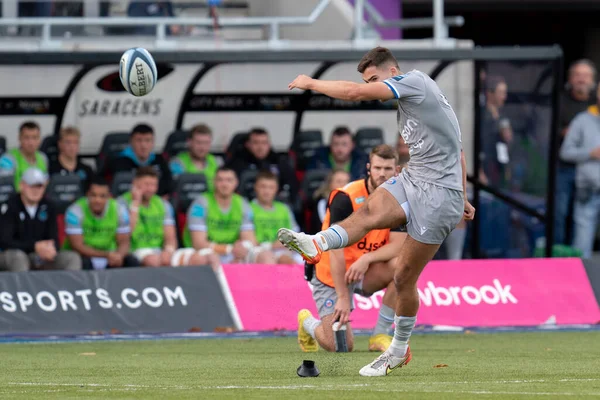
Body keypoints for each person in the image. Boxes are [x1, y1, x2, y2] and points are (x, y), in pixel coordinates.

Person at [279, 46, 475, 376]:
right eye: (368, 80)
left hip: (439, 198)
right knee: (369, 211)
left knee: (404, 277)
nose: (371, 86)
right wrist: (466, 195)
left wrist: (311, 83)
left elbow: (355, 93)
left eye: (374, 78)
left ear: (391, 70)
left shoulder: (414, 82)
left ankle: (397, 348)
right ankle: (318, 242)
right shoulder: (412, 104)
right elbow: (456, 149)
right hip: (416, 177)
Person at [298, 144, 405, 354]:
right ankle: (306, 323)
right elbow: (335, 249)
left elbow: (399, 244)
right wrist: (343, 296)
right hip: (331, 272)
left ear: (397, 170)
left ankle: (379, 334)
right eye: (377, 168)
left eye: (387, 169)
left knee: (404, 268)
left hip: (363, 269)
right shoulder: (345, 197)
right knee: (340, 346)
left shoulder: (399, 199)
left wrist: (367, 259)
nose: (382, 174)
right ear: (368, 168)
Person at [119, 167, 218, 267]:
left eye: (154, 185)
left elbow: (170, 238)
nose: (151, 189)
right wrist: (135, 205)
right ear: (135, 184)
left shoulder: (163, 204)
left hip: (160, 251)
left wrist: (168, 250)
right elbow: (125, 237)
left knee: (201, 259)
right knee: (153, 261)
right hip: (136, 251)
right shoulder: (121, 204)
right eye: (146, 184)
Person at [183, 167, 272, 264]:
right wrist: (228, 249)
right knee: (212, 258)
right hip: (208, 251)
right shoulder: (200, 204)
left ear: (236, 183)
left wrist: (244, 247)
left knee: (266, 256)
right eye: (220, 180)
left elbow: (250, 239)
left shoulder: (242, 204)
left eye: (229, 180)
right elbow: (199, 243)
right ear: (214, 182)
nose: (224, 184)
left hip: (233, 251)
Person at [0, 168, 81, 272]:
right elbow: (5, 242)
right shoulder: (9, 206)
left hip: (40, 255)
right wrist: (34, 246)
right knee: (18, 257)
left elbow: (54, 239)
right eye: (31, 186)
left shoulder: (49, 206)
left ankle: (65, 288)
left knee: (71, 258)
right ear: (22, 185)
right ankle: (23, 288)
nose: (36, 190)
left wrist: (49, 249)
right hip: (13, 255)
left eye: (39, 186)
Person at [555, 59, 597, 245]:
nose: (581, 79)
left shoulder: (594, 105)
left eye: (586, 75)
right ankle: (559, 254)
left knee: (582, 218)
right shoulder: (560, 101)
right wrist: (566, 132)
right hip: (564, 167)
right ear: (570, 78)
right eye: (577, 75)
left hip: (590, 172)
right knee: (560, 212)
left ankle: (578, 255)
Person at [559, 84, 600, 259]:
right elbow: (565, 152)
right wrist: (590, 153)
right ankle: (580, 281)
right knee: (582, 243)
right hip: (589, 189)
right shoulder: (582, 120)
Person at [63, 176, 137, 270]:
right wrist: (106, 255)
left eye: (102, 196)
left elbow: (124, 241)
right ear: (87, 195)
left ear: (109, 197)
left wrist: (119, 255)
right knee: (82, 261)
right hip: (85, 255)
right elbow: (77, 246)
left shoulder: (119, 210)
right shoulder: (75, 211)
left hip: (111, 254)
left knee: (131, 261)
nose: (98, 200)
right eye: (93, 195)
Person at [226, 127, 298, 201]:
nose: (260, 147)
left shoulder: (279, 162)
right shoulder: (236, 164)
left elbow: (292, 187)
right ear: (248, 144)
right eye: (256, 143)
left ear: (269, 144)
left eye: (264, 143)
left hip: (275, 204)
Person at [250, 171, 303, 264]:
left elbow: (295, 236)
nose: (267, 191)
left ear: (276, 189)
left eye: (271, 187)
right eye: (263, 187)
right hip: (259, 251)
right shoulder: (248, 208)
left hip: (284, 250)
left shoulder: (284, 209)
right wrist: (271, 246)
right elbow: (249, 240)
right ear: (255, 187)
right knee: (271, 259)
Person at [105, 124, 172, 196]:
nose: (143, 145)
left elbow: (169, 186)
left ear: (153, 142)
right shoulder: (117, 162)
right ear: (131, 142)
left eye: (147, 140)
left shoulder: (160, 160)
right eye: (139, 140)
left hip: (153, 203)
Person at [169, 124, 219, 192]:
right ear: (189, 142)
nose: (202, 147)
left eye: (206, 143)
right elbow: (177, 190)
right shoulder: (177, 162)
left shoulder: (216, 161)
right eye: (199, 143)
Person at [0, 121, 48, 189]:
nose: (31, 142)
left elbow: (45, 183)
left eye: (35, 137)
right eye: (26, 137)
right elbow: (5, 188)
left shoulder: (43, 157)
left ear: (39, 139)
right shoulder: (7, 159)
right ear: (19, 138)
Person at [49, 126, 94, 191]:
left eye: (76, 142)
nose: (72, 146)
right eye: (68, 142)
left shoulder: (87, 169)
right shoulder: (50, 167)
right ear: (60, 144)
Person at [308, 169, 351, 233]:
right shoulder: (322, 203)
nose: (343, 185)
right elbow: (325, 227)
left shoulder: (356, 201)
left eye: (346, 181)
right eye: (339, 181)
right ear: (330, 184)